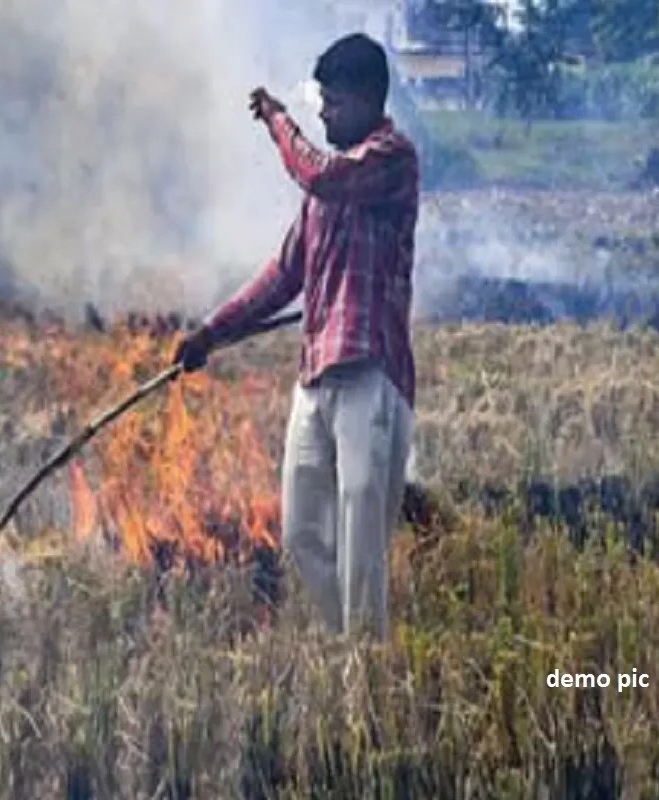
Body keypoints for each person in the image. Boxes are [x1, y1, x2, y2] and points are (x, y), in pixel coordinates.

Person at [171, 32, 419, 639]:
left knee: (361, 542)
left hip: (369, 375)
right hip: (314, 381)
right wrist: (211, 332)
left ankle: (365, 673)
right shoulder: (321, 196)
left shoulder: (389, 158)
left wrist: (278, 121)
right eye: (320, 103)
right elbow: (282, 276)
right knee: (303, 535)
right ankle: (349, 650)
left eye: (332, 103)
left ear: (364, 100)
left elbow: (319, 173)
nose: (324, 113)